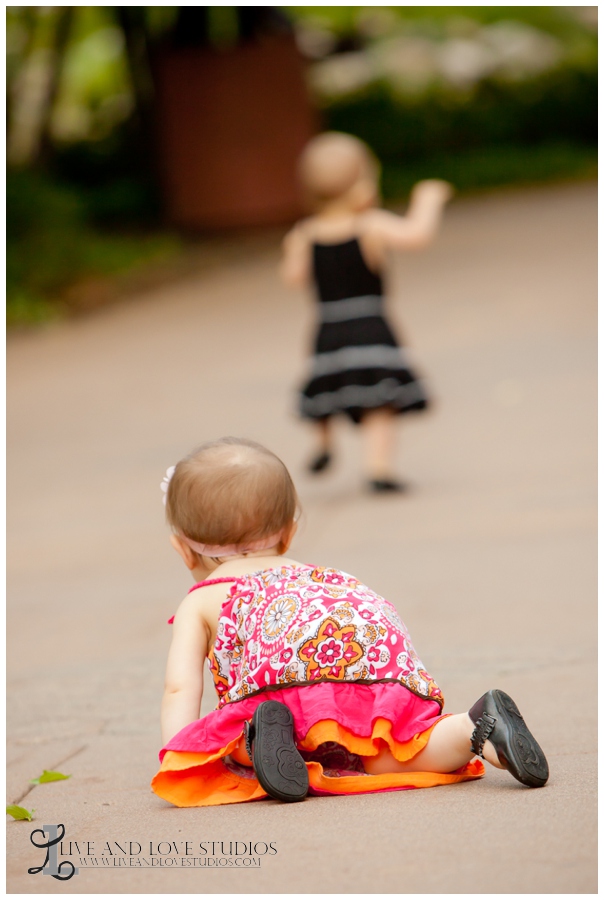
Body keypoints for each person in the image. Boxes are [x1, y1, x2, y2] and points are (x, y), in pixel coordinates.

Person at [152, 437, 549, 807]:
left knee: (229, 736)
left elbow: (180, 687)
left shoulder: (204, 598)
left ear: (184, 550)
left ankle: (261, 740)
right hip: (370, 651)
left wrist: (181, 752)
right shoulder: (319, 578)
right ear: (288, 534)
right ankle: (473, 727)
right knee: (387, 753)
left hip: (286, 685)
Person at [281, 131, 453, 492]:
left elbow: (293, 277)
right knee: (379, 401)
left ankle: (324, 442)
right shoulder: (369, 225)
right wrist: (428, 199)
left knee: (327, 385)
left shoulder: (305, 233)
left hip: (328, 324)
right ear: (363, 180)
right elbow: (416, 235)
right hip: (370, 324)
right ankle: (378, 469)